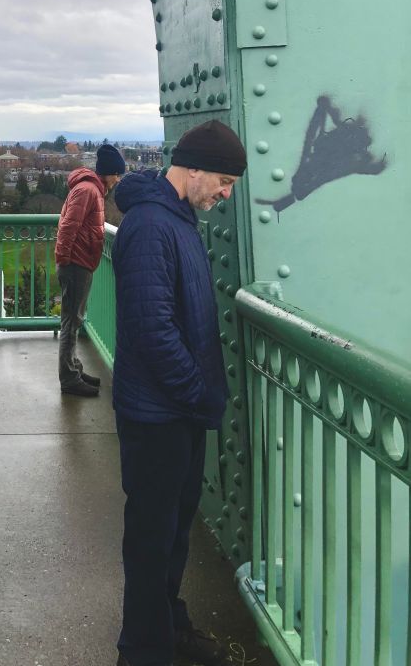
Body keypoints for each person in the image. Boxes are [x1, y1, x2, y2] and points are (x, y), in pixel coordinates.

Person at [111, 120, 247, 666]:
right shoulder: (150, 224)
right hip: (158, 417)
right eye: (221, 179)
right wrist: (200, 393)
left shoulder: (176, 219)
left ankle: (166, 629)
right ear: (191, 169)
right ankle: (143, 652)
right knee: (151, 539)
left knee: (170, 536)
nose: (225, 193)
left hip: (175, 414)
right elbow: (152, 331)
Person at [55, 143, 126, 397]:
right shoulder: (88, 190)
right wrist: (64, 259)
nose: (118, 179)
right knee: (71, 321)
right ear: (107, 172)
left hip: (79, 262)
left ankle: (73, 368)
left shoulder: (91, 189)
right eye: (117, 173)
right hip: (75, 264)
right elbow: (68, 227)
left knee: (74, 319)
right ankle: (69, 378)